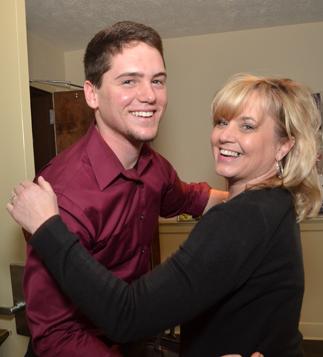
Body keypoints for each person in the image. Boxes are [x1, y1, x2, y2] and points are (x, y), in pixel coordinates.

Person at [8, 73, 322, 356]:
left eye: (248, 126)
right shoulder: (277, 202)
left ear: (283, 146)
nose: (226, 135)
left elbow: (127, 316)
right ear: (94, 95)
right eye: (222, 122)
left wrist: (47, 227)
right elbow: (187, 198)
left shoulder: (239, 218)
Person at [20, 21, 228, 357]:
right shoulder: (63, 194)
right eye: (129, 80)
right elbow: (56, 335)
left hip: (133, 337)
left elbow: (190, 197)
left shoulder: (155, 167)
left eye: (157, 81)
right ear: (92, 94)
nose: (149, 95)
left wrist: (252, 201)